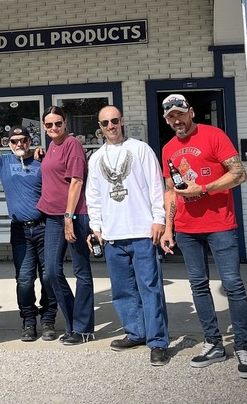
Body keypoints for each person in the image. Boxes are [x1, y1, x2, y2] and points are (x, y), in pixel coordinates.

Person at [159, 93, 247, 378]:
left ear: (190, 112)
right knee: (198, 286)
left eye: (180, 113)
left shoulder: (214, 135)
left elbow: (239, 174)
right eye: (170, 117)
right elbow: (171, 191)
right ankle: (214, 343)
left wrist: (203, 188)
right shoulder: (168, 149)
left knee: (233, 285)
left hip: (220, 224)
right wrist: (168, 227)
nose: (176, 120)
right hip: (187, 229)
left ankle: (242, 345)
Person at [85, 106, 169, 366]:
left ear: (121, 121)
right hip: (112, 236)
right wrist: (95, 227)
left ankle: (157, 342)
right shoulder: (96, 158)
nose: (110, 126)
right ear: (99, 127)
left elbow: (157, 186)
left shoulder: (140, 149)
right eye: (104, 123)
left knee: (150, 288)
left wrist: (159, 220)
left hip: (143, 231)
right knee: (122, 291)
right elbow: (94, 195)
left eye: (114, 120)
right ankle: (136, 332)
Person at [0, 119, 57, 342]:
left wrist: (46, 151)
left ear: (30, 141)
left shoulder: (42, 161)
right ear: (9, 143)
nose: (19, 143)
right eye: (15, 140)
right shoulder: (3, 162)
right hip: (20, 231)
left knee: (49, 276)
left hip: (44, 228)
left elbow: (59, 167)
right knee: (24, 280)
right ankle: (28, 320)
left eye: (24, 140)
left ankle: (48, 319)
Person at [36, 106, 94, 345]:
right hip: (52, 216)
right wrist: (39, 153)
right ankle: (72, 321)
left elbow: (76, 182)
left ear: (65, 122)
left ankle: (83, 329)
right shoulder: (51, 146)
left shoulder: (73, 145)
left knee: (81, 272)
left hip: (74, 215)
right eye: (48, 125)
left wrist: (69, 217)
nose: (53, 128)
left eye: (57, 123)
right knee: (50, 272)